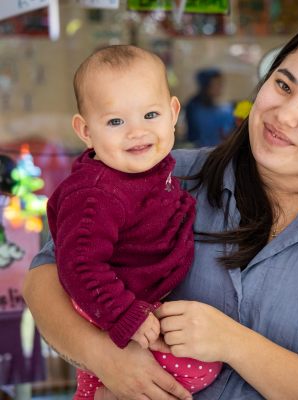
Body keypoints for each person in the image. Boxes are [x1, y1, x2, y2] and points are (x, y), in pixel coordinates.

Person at [23, 19, 298, 400]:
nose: (284, 115)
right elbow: (45, 278)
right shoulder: (163, 174)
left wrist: (233, 343)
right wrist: (104, 358)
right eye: (283, 85)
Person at [44, 45, 221, 399]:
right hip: (106, 300)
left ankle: (101, 391)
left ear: (173, 113)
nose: (137, 132)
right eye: (115, 121)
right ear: (85, 131)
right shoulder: (97, 194)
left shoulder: (152, 166)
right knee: (203, 368)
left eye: (150, 115)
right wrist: (126, 314)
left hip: (131, 297)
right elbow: (79, 263)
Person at [185, 69, 235, 147]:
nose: (220, 87)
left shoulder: (226, 109)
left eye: (221, 84)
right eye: (216, 84)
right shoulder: (195, 109)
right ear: (206, 86)